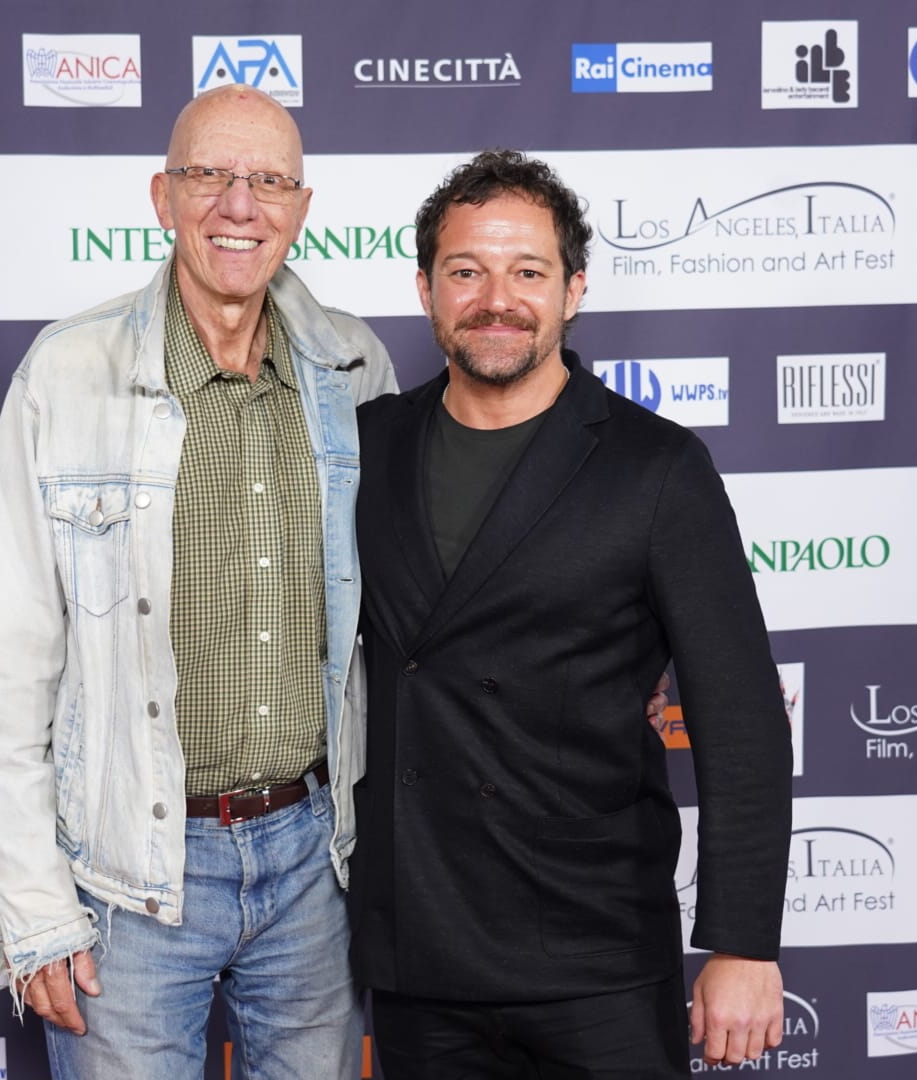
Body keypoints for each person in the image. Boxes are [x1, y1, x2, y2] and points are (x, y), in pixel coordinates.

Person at [0, 85, 395, 1078]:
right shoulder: (66, 374)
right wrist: (34, 911)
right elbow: (10, 670)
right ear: (163, 197)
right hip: (127, 880)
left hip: (316, 866)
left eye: (268, 182)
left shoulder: (354, 368)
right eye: (210, 175)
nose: (239, 205)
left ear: (300, 208)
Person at [350, 149, 793, 1077]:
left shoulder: (656, 466)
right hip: (420, 950)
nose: (496, 300)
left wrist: (744, 943)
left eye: (528, 272)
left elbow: (741, 717)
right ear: (426, 290)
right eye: (466, 271)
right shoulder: (368, 448)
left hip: (596, 952)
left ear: (573, 290)